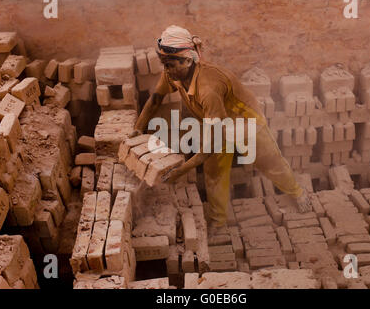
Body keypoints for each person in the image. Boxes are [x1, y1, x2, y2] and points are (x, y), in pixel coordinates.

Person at [130, 25, 312, 236]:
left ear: (188, 61)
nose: (166, 71)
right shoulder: (174, 74)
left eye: (170, 65)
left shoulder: (208, 89)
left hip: (245, 123)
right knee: (214, 172)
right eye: (164, 65)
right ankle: (218, 220)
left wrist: (180, 170)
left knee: (270, 162)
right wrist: (137, 129)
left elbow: (207, 148)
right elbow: (155, 100)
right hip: (216, 123)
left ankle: (297, 193)